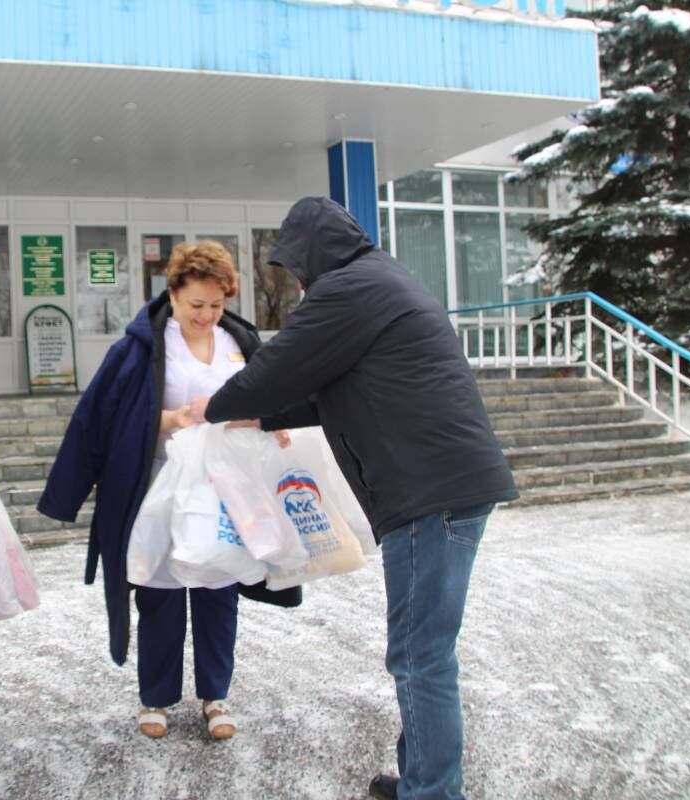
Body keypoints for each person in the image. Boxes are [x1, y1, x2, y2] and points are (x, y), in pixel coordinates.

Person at [189, 197, 519, 800]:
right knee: (421, 651)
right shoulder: (381, 279)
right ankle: (425, 779)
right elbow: (331, 392)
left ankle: (434, 792)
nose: (294, 279)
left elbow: (278, 369)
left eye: (295, 265)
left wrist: (211, 407)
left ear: (313, 255)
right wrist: (261, 420)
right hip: (443, 485)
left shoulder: (350, 291)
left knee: (421, 656)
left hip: (430, 493)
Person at [37, 240, 301, 741]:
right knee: (159, 591)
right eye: (196, 305)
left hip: (226, 489)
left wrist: (277, 424)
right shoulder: (142, 347)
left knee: (218, 587)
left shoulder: (239, 342)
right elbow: (103, 418)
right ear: (173, 295)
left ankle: (215, 695)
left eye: (216, 305)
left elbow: (271, 398)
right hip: (159, 486)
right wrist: (168, 420)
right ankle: (155, 697)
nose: (207, 315)